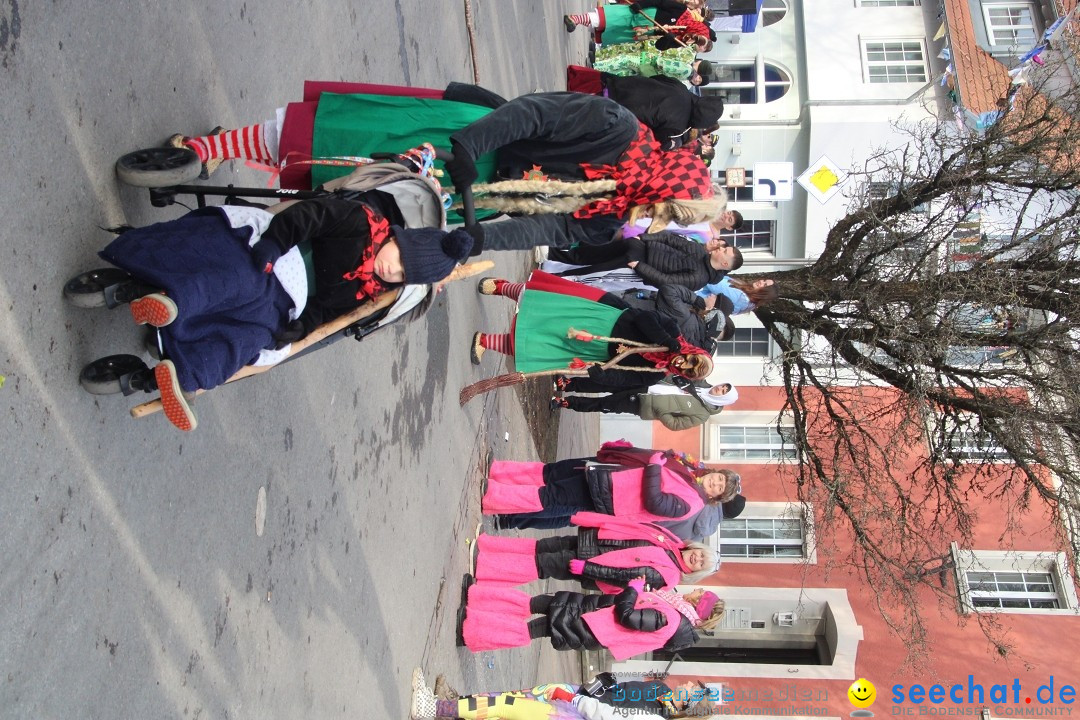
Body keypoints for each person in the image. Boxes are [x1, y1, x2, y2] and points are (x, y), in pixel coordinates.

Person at [97, 196, 473, 431]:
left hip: (288, 301)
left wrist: (297, 329)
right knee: (236, 284)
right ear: (396, 239)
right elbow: (309, 216)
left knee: (252, 338)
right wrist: (275, 243)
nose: (394, 271)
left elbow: (325, 310)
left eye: (404, 276)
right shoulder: (360, 222)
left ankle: (182, 377)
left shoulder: (373, 290)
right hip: (276, 254)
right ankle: (172, 306)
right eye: (400, 260)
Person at [444, 92, 723, 253]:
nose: (654, 220)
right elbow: (533, 113)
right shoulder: (617, 127)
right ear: (664, 185)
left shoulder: (611, 217)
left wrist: (483, 238)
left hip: (475, 199)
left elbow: (555, 229)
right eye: (667, 211)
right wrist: (470, 146)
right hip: (466, 139)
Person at [470, 272, 713, 386]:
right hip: (604, 316)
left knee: (542, 344)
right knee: (549, 305)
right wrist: (663, 338)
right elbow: (643, 318)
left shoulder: (657, 373)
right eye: (691, 360)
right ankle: (503, 287)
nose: (684, 364)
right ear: (692, 351)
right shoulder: (672, 331)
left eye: (688, 371)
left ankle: (486, 341)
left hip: (595, 349)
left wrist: (602, 375)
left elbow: (625, 379)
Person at [480, 441, 740, 539]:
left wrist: (652, 468)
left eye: (719, 487)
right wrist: (627, 452)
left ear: (717, 498)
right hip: (609, 480)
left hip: (611, 497)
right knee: (551, 478)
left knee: (550, 498)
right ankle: (500, 478)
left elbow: (655, 503)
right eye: (718, 478)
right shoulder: (691, 477)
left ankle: (495, 497)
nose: (715, 483)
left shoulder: (693, 503)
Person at [461, 577, 724, 659]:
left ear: (699, 604)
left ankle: (472, 631)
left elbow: (627, 617)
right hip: (592, 616)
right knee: (537, 603)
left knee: (533, 628)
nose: (697, 589)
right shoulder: (674, 612)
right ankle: (478, 602)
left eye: (701, 593)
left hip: (591, 624)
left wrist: (633, 588)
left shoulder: (671, 619)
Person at [409, 667, 717, 720]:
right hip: (581, 695)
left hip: (574, 711)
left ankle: (432, 709)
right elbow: (619, 691)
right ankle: (453, 704)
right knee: (511, 698)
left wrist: (572, 699)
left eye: (694, 691)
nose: (688, 685)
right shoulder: (660, 689)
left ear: (690, 704)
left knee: (507, 706)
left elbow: (606, 715)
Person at [473, 525, 716, 592]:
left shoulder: (669, 575)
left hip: (591, 565)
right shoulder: (672, 544)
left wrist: (587, 568)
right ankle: (490, 547)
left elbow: (624, 577)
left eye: (701, 564)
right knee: (541, 547)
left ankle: (487, 569)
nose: (697, 558)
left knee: (542, 565)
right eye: (701, 554)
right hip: (595, 543)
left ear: (697, 572)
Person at [565, 70, 725, 152]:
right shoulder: (678, 128)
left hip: (621, 87)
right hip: (616, 112)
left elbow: (657, 78)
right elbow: (653, 141)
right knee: (568, 114)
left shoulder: (681, 88)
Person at [556, 379, 738, 431]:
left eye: (723, 391)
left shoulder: (702, 415)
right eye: (723, 386)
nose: (719, 388)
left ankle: (566, 403)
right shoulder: (701, 383)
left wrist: (661, 412)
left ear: (723, 399)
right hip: (645, 385)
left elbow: (676, 425)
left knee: (605, 403)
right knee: (606, 383)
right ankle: (568, 384)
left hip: (643, 404)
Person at [698, 276, 780, 314]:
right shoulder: (746, 299)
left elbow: (714, 282)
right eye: (764, 280)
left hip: (696, 293)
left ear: (764, 294)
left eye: (764, 285)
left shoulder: (741, 298)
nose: (761, 282)